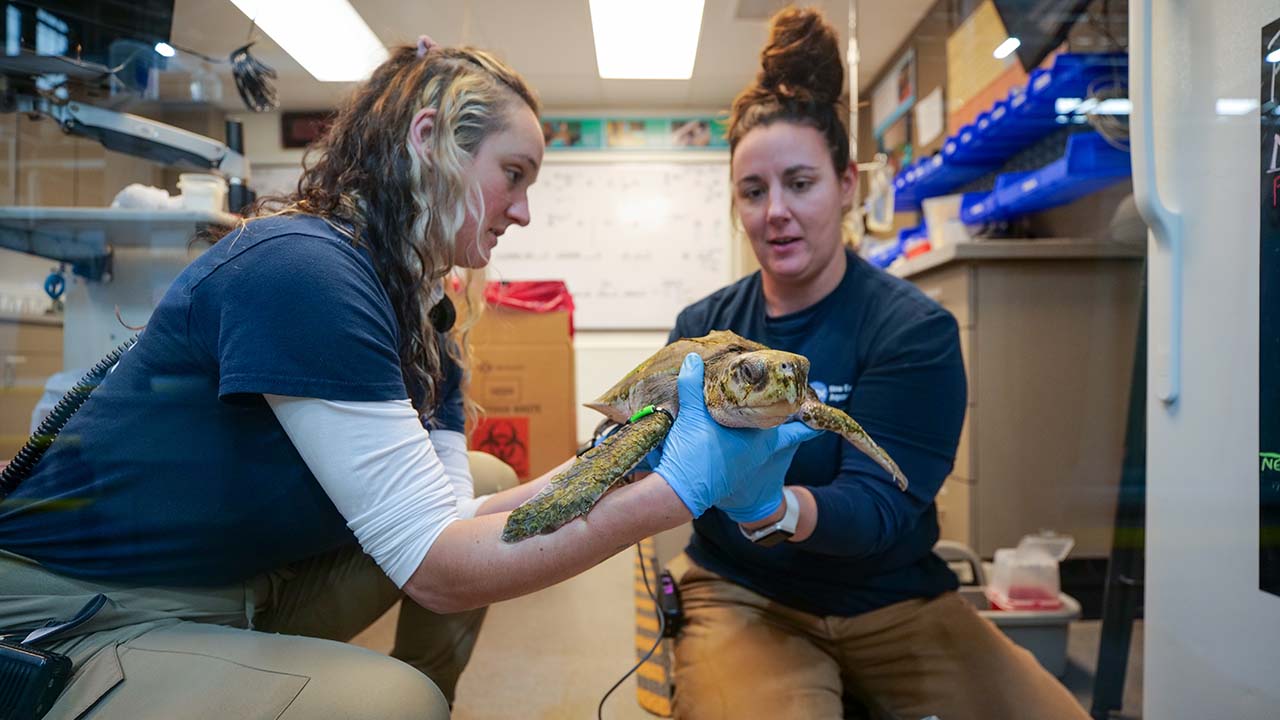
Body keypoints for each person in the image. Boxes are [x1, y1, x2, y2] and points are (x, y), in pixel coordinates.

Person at [0, 36, 815, 719]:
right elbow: (441, 566)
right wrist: (672, 491)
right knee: (391, 702)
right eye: (514, 174)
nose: (523, 210)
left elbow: (454, 513)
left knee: (489, 479)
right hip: (82, 607)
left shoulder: (422, 313)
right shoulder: (303, 270)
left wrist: (623, 458)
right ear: (429, 139)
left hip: (238, 578)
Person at [662, 9, 1092, 720]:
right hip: (745, 592)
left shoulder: (911, 329)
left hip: (892, 596)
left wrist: (774, 506)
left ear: (847, 186)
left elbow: (879, 507)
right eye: (753, 190)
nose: (776, 212)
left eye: (800, 183)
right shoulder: (704, 333)